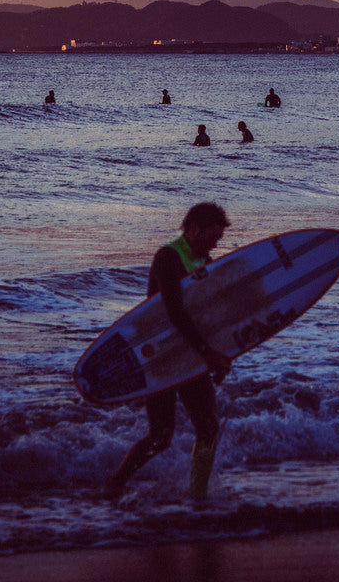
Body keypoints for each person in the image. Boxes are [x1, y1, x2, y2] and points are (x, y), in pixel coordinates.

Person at [104, 203, 232, 500]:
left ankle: (198, 495)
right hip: (159, 357)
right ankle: (116, 481)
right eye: (212, 237)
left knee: (208, 427)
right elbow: (173, 311)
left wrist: (219, 353)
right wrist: (207, 351)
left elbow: (206, 316)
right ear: (194, 228)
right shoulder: (168, 257)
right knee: (161, 437)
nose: (215, 244)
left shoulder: (203, 261)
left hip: (189, 356)